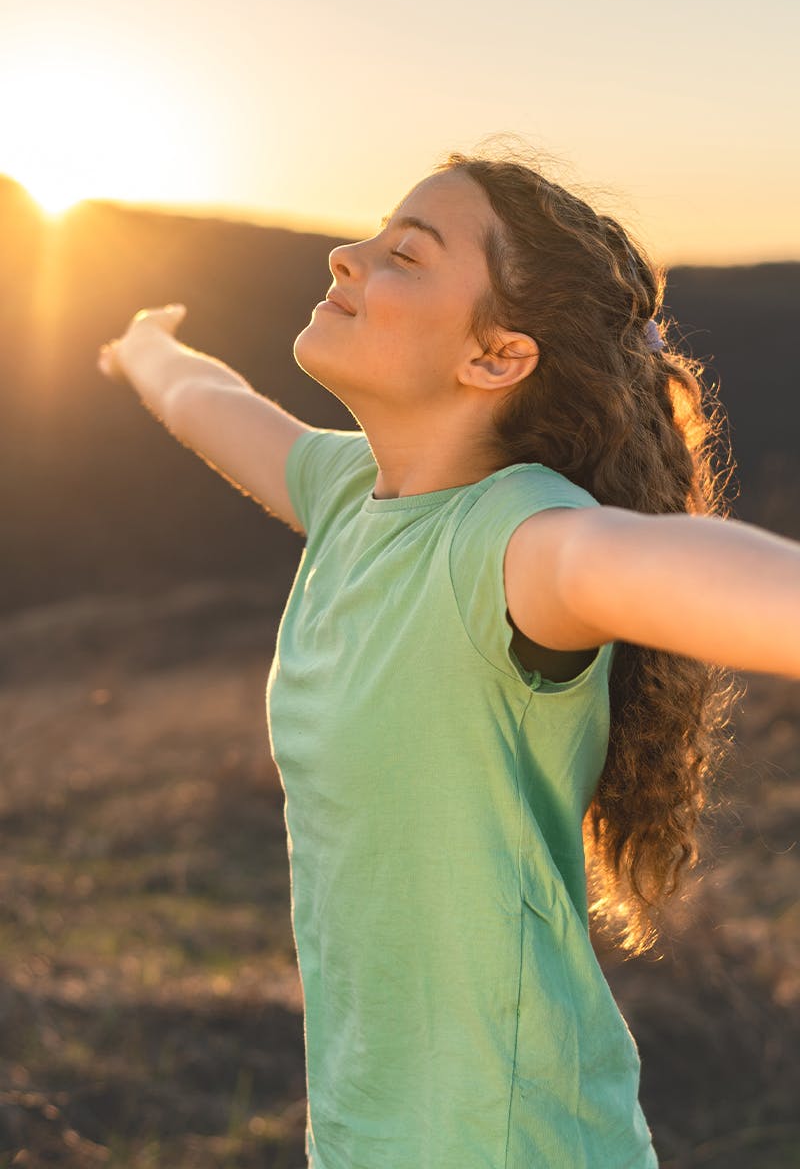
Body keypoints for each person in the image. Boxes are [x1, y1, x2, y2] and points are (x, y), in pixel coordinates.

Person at [98, 151, 800, 1169]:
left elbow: (652, 560)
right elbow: (205, 403)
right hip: (366, 1129)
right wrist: (144, 350)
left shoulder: (521, 542)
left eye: (403, 255)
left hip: (507, 1141)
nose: (344, 256)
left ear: (495, 357)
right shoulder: (347, 494)